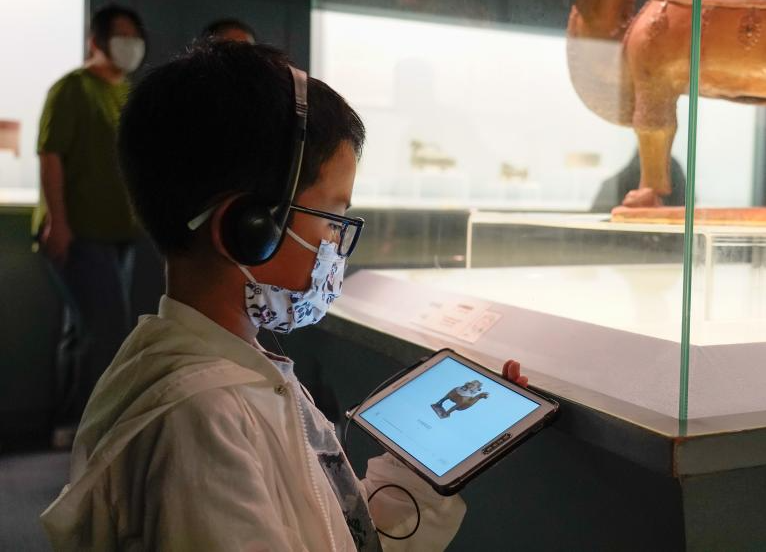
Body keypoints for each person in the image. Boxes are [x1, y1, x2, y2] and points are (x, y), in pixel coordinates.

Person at [40, 41, 528, 551]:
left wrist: (430, 461)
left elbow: (332, 532)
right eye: (332, 217)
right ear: (249, 228)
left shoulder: (233, 372)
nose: (336, 245)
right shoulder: (200, 419)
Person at [34, 3, 147, 446]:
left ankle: (70, 422)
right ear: (96, 40)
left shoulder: (126, 93)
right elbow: (51, 155)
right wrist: (58, 222)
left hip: (119, 234)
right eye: (120, 34)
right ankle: (87, 426)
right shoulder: (72, 89)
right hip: (80, 233)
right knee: (104, 330)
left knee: (80, 330)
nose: (130, 43)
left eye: (135, 34)